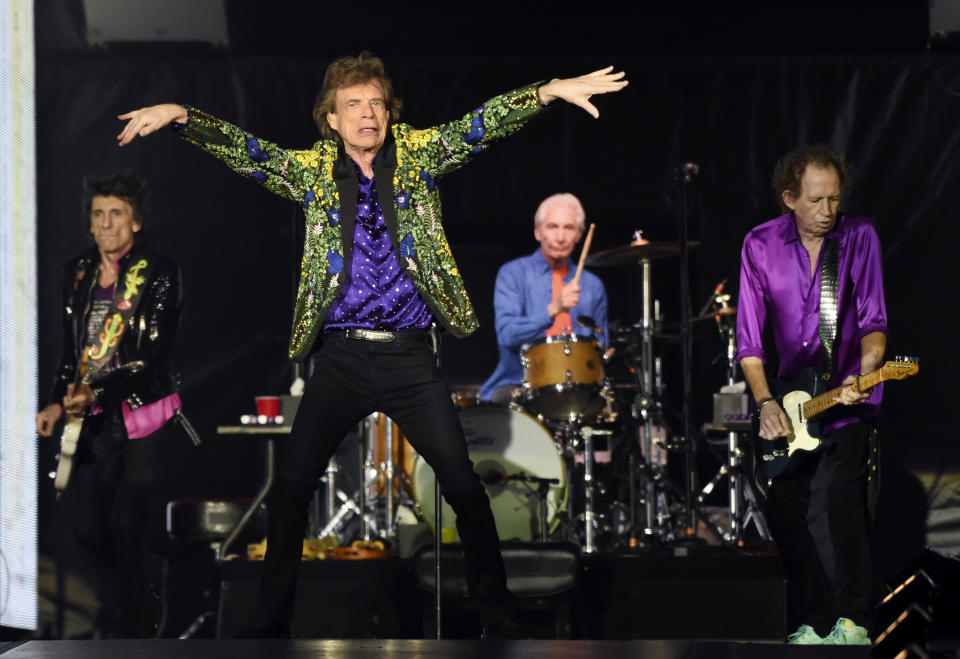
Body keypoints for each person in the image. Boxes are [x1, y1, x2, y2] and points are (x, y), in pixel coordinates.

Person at [116, 52, 627, 637]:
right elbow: (248, 152)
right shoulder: (310, 170)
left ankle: (497, 613)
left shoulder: (418, 154)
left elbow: (482, 124)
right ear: (331, 118)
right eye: (353, 105)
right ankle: (270, 620)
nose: (367, 115)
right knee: (289, 490)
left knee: (462, 482)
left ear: (390, 112)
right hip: (341, 359)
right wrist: (183, 116)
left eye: (376, 104)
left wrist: (547, 91)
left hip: (410, 356)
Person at [736, 145, 887, 646]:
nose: (828, 211)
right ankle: (814, 619)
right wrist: (765, 404)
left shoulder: (858, 235)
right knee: (782, 506)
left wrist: (863, 373)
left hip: (847, 390)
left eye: (835, 200)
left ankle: (855, 620)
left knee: (843, 496)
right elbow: (750, 342)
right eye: (817, 200)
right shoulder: (759, 245)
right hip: (788, 397)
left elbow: (874, 322)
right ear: (789, 199)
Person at [35, 171, 185, 638]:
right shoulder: (77, 272)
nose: (105, 224)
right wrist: (58, 404)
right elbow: (70, 351)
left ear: (135, 221)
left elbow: (150, 355)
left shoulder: (158, 272)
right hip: (92, 419)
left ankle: (131, 626)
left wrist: (97, 391)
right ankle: (142, 584)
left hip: (143, 413)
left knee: (126, 522)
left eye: (116, 214)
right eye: (98, 214)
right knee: (86, 528)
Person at [479, 193, 608, 403]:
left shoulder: (593, 285)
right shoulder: (513, 274)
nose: (560, 237)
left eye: (568, 228)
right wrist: (553, 309)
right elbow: (507, 336)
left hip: (580, 387)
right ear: (538, 232)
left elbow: (601, 344)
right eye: (552, 227)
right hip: (520, 384)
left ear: (579, 235)